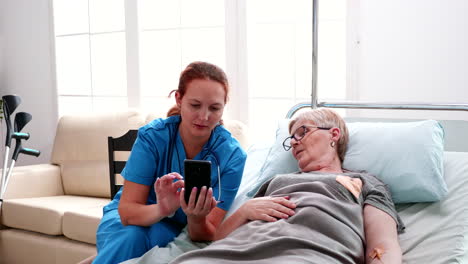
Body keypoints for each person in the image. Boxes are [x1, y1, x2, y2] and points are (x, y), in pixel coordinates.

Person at [170, 108, 405, 264]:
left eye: (302, 132)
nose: (293, 142)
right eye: (291, 138)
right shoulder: (276, 181)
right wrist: (245, 210)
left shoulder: (365, 182)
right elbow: (218, 240)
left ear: (333, 134)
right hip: (230, 254)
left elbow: (383, 245)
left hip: (305, 255)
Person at [91, 61, 247, 264]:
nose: (204, 116)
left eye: (215, 108)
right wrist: (163, 209)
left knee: (148, 243)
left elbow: (206, 232)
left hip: (170, 227)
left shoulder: (232, 157)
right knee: (131, 238)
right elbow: (128, 213)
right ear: (179, 99)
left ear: (224, 107)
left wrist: (196, 217)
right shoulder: (153, 137)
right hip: (130, 218)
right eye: (195, 105)